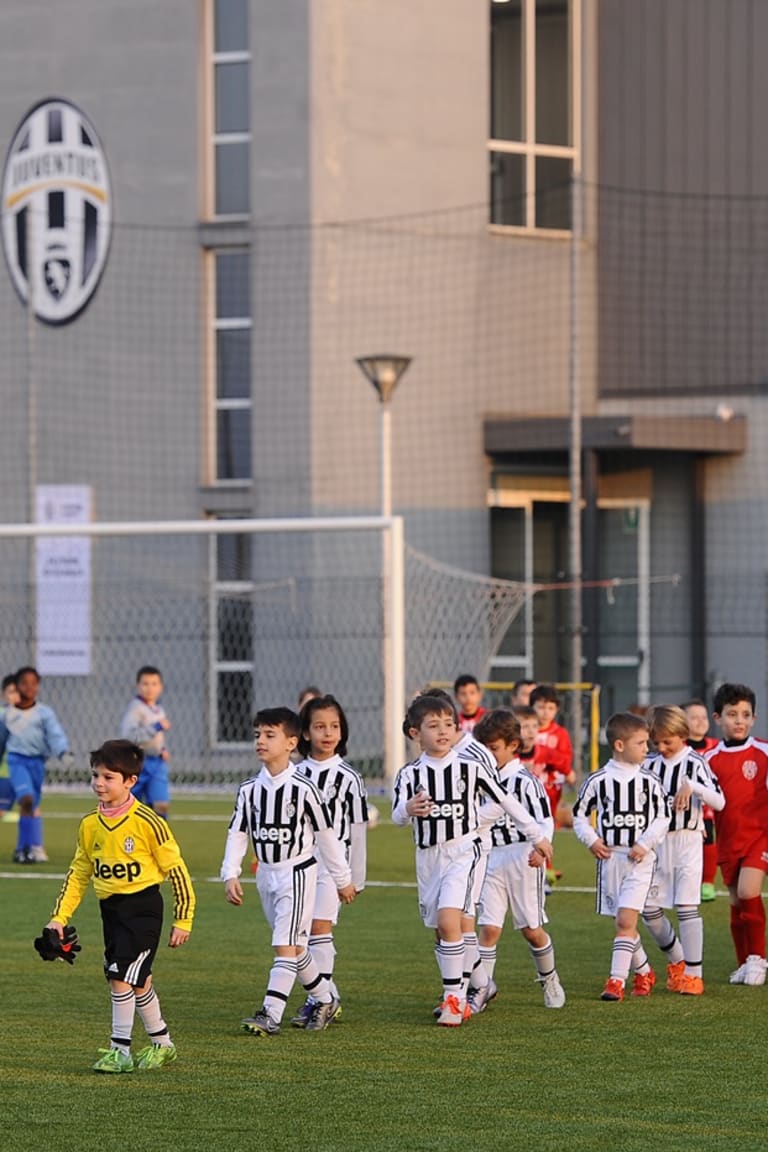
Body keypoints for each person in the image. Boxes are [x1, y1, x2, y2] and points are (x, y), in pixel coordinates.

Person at [392, 693, 552, 1026]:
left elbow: (506, 801)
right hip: (428, 858)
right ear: (413, 733)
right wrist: (408, 809)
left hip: (465, 852)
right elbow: (396, 815)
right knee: (442, 931)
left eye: (448, 724)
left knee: (452, 921)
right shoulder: (409, 775)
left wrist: (537, 836)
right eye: (432, 726)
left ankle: (454, 1000)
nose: (443, 731)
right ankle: (481, 984)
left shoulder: (470, 767)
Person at [45, 739, 194, 1072]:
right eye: (96, 775)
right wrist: (59, 918)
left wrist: (184, 918)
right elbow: (79, 873)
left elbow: (177, 870)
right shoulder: (89, 825)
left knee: (119, 977)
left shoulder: (148, 822)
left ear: (130, 781)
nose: (99, 783)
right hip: (110, 911)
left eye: (109, 777)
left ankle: (120, 1051)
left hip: (142, 908)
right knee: (138, 980)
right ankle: (162, 1043)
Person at [220, 707, 356, 1036]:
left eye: (270, 735)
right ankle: (325, 998)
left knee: (284, 944)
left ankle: (271, 1013)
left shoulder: (305, 789)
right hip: (266, 873)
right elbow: (238, 832)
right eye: (257, 735)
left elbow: (326, 836)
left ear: (291, 742)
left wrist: (343, 879)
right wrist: (230, 873)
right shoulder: (249, 789)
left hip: (297, 873)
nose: (261, 741)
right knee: (296, 947)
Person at [572, 711, 669, 1001]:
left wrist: (645, 842)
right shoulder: (598, 780)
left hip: (639, 859)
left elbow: (663, 818)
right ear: (619, 745)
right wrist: (591, 839)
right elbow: (578, 815)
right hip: (610, 859)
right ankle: (644, 971)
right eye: (640, 743)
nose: (646, 749)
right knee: (622, 923)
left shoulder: (650, 781)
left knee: (626, 921)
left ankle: (616, 981)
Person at [474, 709, 565, 1009]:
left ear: (512, 746)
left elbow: (544, 819)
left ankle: (549, 978)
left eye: (493, 748)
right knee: (488, 928)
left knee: (531, 930)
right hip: (489, 857)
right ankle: (481, 990)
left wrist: (542, 847)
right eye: (483, 748)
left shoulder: (525, 780)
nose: (487, 754)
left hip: (522, 856)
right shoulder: (479, 779)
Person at [292, 694, 368, 1025]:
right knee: (299, 934)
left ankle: (320, 1001)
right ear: (305, 733)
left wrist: (354, 877)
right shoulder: (295, 774)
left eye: (334, 726)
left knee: (320, 928)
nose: (328, 733)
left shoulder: (349, 777)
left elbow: (359, 828)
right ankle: (326, 995)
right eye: (320, 726)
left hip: (333, 866)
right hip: (299, 864)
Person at [641, 705, 724, 995]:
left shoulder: (695, 763)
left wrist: (694, 787)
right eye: (656, 742)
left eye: (668, 742)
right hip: (657, 843)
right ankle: (677, 958)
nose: (661, 748)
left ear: (682, 735)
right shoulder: (649, 765)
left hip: (688, 840)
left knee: (687, 906)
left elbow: (720, 802)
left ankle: (694, 974)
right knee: (648, 909)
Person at [706, 682, 768, 985]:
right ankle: (743, 962)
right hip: (728, 840)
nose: (739, 720)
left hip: (760, 836)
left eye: (745, 714)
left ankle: (758, 959)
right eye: (732, 714)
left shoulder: (763, 752)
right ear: (718, 718)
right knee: (735, 902)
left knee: (748, 892)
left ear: (754, 718)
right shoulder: (710, 759)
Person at [0, 665, 71, 863]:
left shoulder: (44, 713)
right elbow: (1, 739)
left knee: (32, 805)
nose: (29, 687)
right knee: (27, 799)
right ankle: (24, 849)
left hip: (37, 763)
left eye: (33, 683)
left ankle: (26, 848)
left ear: (38, 686)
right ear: (18, 686)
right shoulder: (8, 714)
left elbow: (55, 734)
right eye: (24, 683)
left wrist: (63, 751)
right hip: (17, 761)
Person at [681, 697, 720, 902]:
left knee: (709, 841)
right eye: (694, 717)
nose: (700, 721)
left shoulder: (716, 747)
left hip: (709, 807)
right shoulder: (678, 748)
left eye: (703, 717)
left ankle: (708, 883)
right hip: (683, 808)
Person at [120, 666, 172, 817]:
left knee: (160, 805)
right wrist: (155, 727)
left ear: (160, 687)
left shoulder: (157, 709)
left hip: (156, 763)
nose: (150, 688)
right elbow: (130, 735)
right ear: (137, 686)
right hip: (138, 763)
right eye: (145, 684)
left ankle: (157, 838)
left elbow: (157, 739)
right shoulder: (135, 709)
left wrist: (162, 749)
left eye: (154, 684)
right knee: (131, 806)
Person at [530, 684, 576, 823]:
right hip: (529, 784)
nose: (545, 712)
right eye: (541, 707)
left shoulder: (560, 733)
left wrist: (564, 769)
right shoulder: (526, 731)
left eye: (550, 708)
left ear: (557, 710)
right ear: (531, 707)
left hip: (551, 787)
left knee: (547, 823)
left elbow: (565, 759)